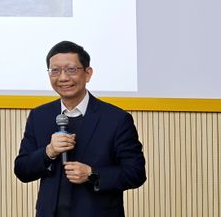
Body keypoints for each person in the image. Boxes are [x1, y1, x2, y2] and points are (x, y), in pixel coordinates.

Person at [14, 41, 146, 216]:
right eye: (55, 71)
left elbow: (135, 173)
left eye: (71, 70)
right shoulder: (40, 116)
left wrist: (92, 174)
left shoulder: (116, 119)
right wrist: (48, 152)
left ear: (88, 73)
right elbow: (22, 170)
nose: (63, 78)